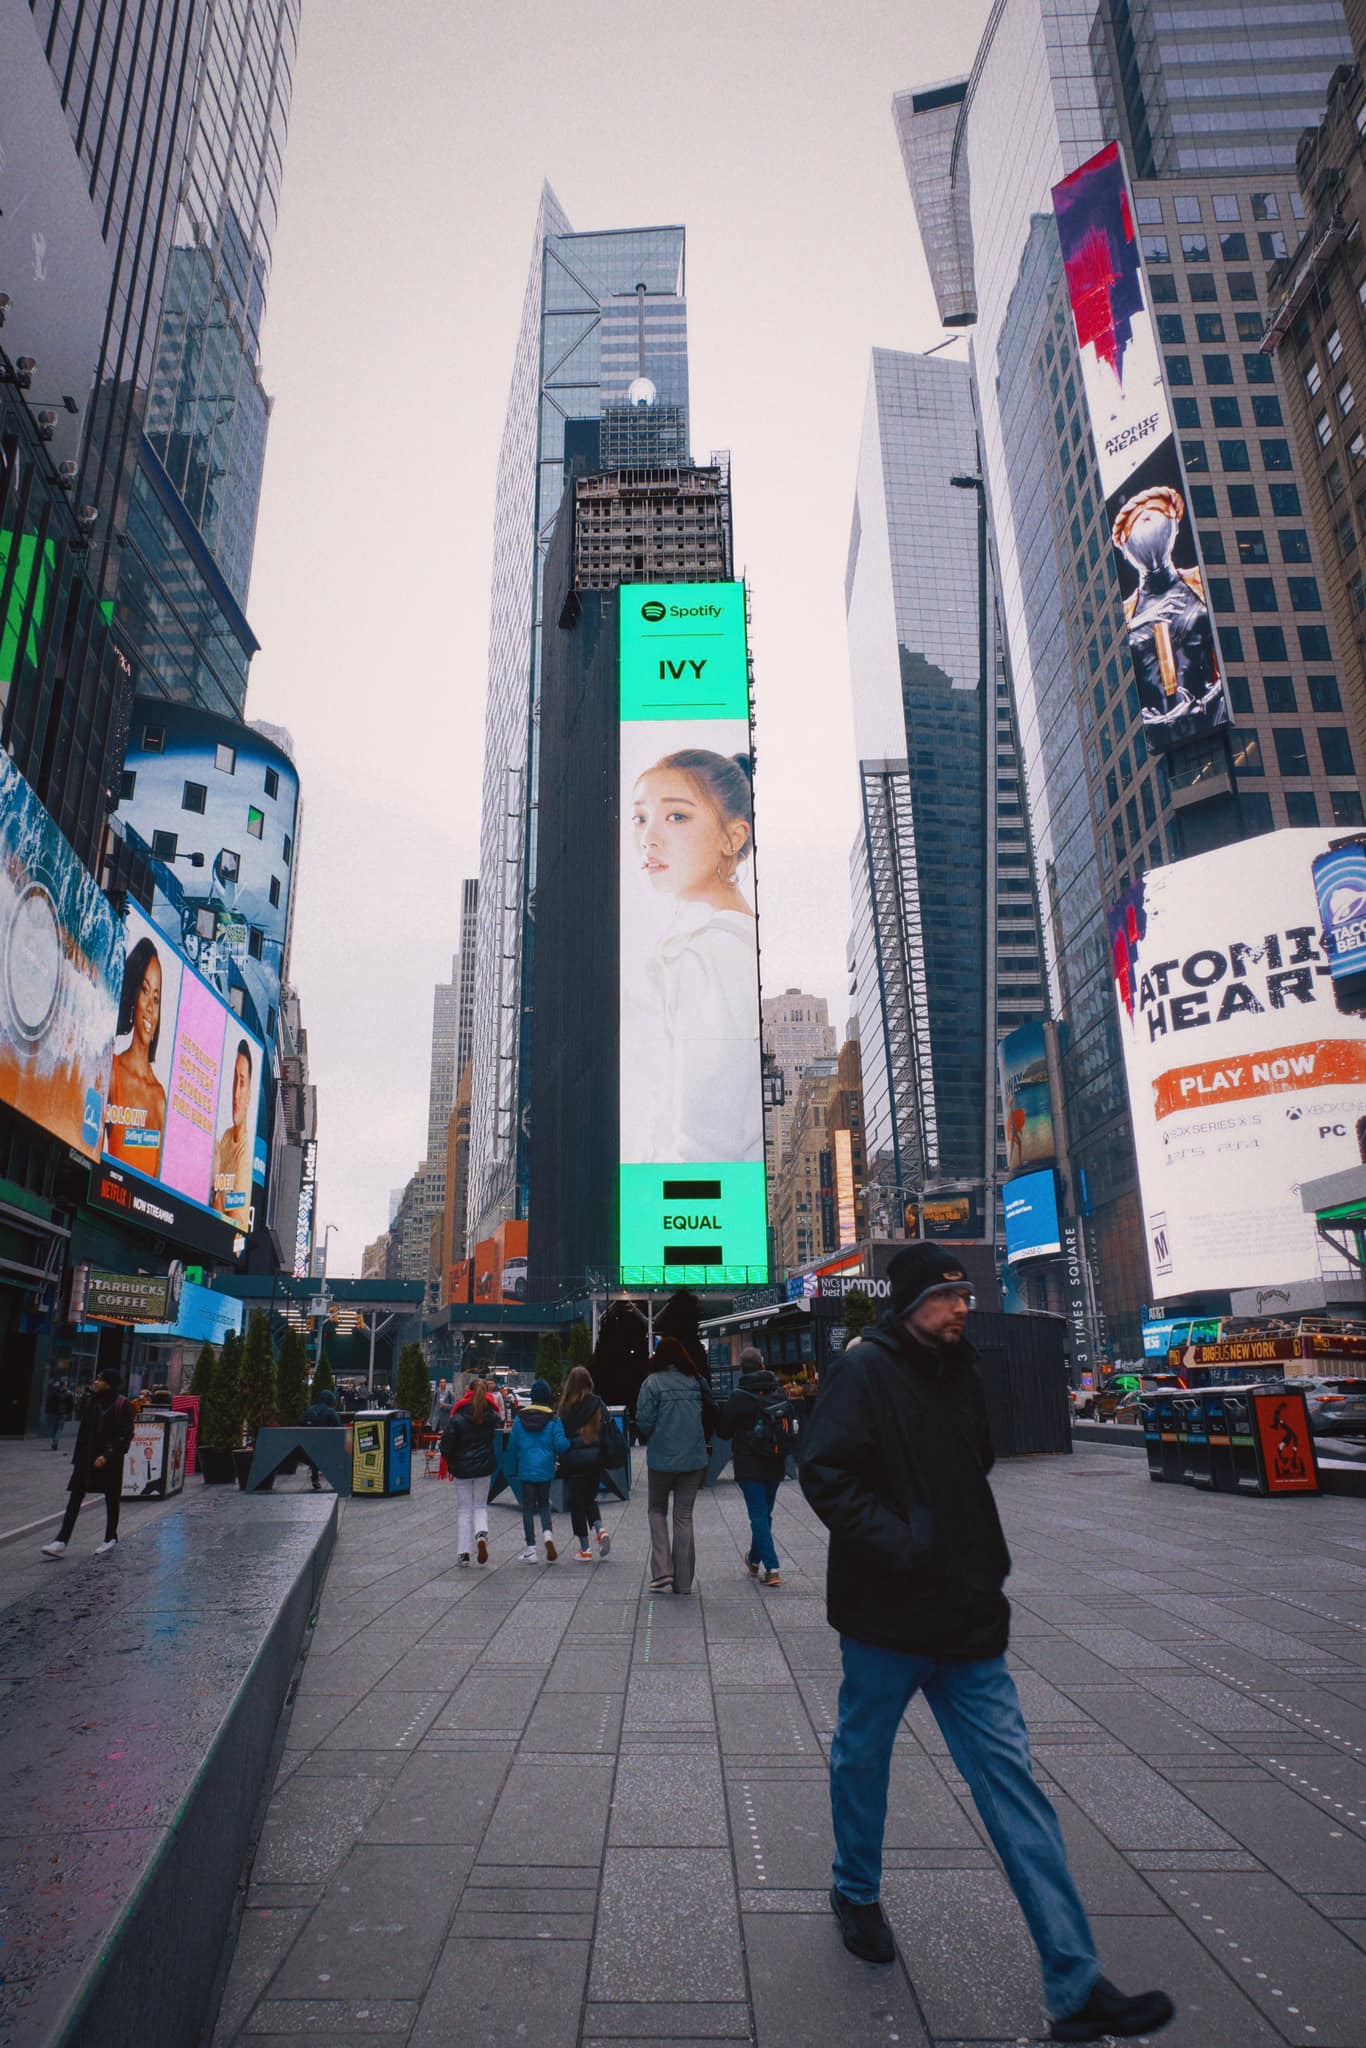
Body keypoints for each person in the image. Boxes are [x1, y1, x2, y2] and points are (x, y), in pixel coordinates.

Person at [799, 1242, 1175, 2044]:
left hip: (968, 1615)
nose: (962, 1306)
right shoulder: (863, 1371)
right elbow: (824, 1472)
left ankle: (1074, 1985)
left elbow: (974, 1466)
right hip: (884, 1618)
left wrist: (971, 1558)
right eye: (945, 1297)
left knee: (1013, 1787)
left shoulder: (963, 1368)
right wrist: (907, 1544)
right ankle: (855, 1891)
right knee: (862, 1759)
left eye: (965, 1294)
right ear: (909, 1305)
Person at [623, 748, 763, 1165]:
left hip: (681, 1213)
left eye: (677, 816)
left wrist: (669, 1215)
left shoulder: (709, 951)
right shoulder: (713, 942)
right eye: (640, 818)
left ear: (733, 837)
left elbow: (705, 1141)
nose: (649, 837)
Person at [636, 1336, 714, 1595]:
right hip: (693, 1459)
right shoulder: (695, 1381)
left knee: (656, 1510)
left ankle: (662, 1571)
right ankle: (683, 1582)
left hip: (662, 1459)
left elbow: (644, 1422)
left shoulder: (652, 1383)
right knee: (684, 1516)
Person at [41, 1367, 136, 1559]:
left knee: (111, 1499)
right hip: (86, 1460)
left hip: (109, 1462)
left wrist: (108, 1456)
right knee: (75, 1498)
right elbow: (84, 1432)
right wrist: (78, 1458)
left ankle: (110, 1537)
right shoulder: (92, 1402)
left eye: (100, 1379)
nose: (96, 1382)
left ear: (108, 1383)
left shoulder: (122, 1404)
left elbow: (125, 1435)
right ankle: (61, 1540)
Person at [716, 1345, 788, 1587]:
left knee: (758, 1515)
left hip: (749, 1464)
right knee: (764, 1514)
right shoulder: (779, 1392)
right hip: (776, 1460)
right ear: (763, 1365)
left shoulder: (738, 1396)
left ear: (742, 1370)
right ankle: (754, 1559)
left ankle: (773, 1567)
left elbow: (723, 1432)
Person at [105, 935, 167, 1178]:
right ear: (133, 996)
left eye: (157, 998)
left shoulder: (160, 1096)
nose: (151, 1008)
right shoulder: (113, 1071)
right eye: (144, 991)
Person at [503, 1377, 569, 1563]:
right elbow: (561, 1445)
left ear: (532, 1397)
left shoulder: (519, 1419)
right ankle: (548, 1535)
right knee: (544, 1505)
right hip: (546, 1470)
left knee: (528, 1509)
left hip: (526, 1470)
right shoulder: (554, 1420)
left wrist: (511, 1467)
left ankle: (531, 1549)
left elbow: (513, 1447)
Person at [557, 1365, 613, 1562]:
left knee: (577, 1503)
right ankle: (601, 1530)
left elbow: (560, 1436)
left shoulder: (565, 1407)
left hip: (573, 1460)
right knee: (590, 1498)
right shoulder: (598, 1403)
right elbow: (606, 1429)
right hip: (594, 1458)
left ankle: (585, 1549)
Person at [440, 1377, 498, 1565]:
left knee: (464, 1510)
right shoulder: (491, 1417)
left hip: (462, 1468)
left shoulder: (457, 1418)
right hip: (484, 1467)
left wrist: (449, 1457)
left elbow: (447, 1445)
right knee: (480, 1506)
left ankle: (464, 1554)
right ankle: (481, 1535)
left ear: (468, 1392)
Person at [212, 1039, 254, 1223]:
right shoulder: (226, 1136)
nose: (236, 1093)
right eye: (235, 1080)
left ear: (250, 1092)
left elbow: (233, 1237)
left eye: (242, 1082)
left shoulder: (245, 1158)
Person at [302, 1383, 343, 1490]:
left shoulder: (310, 1410)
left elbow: (301, 1423)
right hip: (326, 1445)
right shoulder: (330, 1411)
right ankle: (339, 1478)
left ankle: (315, 1478)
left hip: (308, 1445)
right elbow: (338, 1427)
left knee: (315, 1455)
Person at [44, 1377, 73, 1451]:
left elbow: (49, 1402)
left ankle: (55, 1441)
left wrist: (48, 1410)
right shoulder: (68, 1393)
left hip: (56, 1413)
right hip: (62, 1413)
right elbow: (70, 1405)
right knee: (59, 1428)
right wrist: (69, 1413)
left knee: (55, 1428)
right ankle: (55, 1441)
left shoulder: (55, 1392)